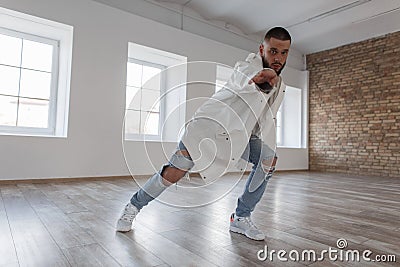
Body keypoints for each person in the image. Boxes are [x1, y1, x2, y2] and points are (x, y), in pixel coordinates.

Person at [117, 27, 291, 241]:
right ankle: (133, 206)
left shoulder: (281, 84)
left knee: (268, 160)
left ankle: (240, 217)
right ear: (261, 49)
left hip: (239, 135)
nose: (278, 58)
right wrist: (264, 77)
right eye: (273, 51)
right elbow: (247, 80)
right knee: (175, 171)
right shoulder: (246, 67)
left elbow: (263, 115)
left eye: (284, 53)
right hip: (208, 128)